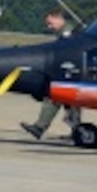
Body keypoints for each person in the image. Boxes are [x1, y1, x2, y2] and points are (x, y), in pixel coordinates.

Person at [22, 8, 83, 140]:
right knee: (70, 104)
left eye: (50, 23)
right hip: (70, 72)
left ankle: (40, 127)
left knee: (55, 97)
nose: (49, 27)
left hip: (71, 73)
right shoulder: (67, 32)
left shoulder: (69, 33)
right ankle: (77, 131)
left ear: (58, 18)